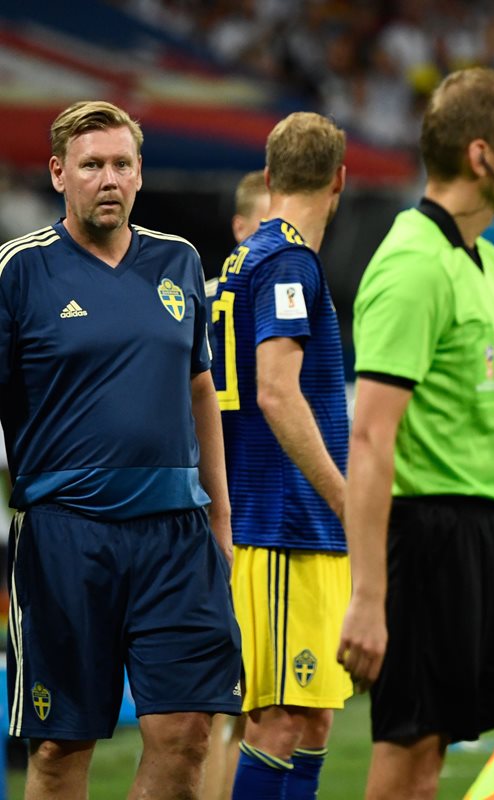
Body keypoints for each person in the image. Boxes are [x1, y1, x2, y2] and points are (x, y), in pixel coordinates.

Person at [335, 67, 494, 800]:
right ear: (481, 156)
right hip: (427, 541)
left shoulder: (490, 261)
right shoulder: (411, 264)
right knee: (413, 762)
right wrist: (366, 596)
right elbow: (370, 440)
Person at [0, 100, 242, 798]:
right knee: (57, 748)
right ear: (58, 173)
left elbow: (202, 391)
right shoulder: (19, 272)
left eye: (121, 164)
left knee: (188, 733)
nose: (108, 178)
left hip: (177, 539)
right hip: (66, 537)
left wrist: (219, 522)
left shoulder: (179, 261)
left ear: (139, 175)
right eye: (92, 165)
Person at [208, 113, 353, 800]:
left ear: (268, 179)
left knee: (314, 715)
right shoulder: (289, 261)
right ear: (341, 181)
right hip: (280, 521)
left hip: (295, 523)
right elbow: (276, 392)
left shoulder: (245, 259)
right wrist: (347, 497)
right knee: (276, 721)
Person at [201, 167, 270, 800]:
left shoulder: (195, 296)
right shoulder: (267, 296)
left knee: (232, 710)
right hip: (244, 521)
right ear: (238, 227)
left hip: (219, 514)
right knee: (239, 712)